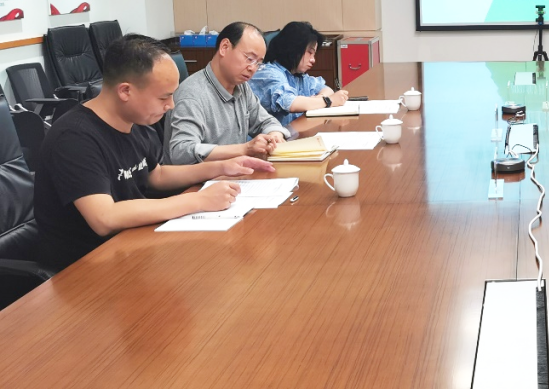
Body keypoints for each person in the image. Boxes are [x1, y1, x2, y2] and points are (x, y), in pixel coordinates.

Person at [34, 34, 274, 272]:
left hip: (134, 248)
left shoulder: (134, 120)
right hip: (86, 268)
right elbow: (104, 218)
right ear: (125, 91)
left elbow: (155, 175)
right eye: (164, 97)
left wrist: (221, 166)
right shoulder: (74, 137)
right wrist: (198, 200)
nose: (171, 105)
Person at [165, 22, 290, 164]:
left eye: (258, 63)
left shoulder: (241, 87)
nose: (252, 68)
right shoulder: (192, 94)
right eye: (249, 59)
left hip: (235, 173)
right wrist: (244, 149)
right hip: (201, 178)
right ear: (224, 47)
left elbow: (265, 121)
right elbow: (181, 151)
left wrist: (274, 135)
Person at [248, 21, 349, 126]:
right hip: (270, 135)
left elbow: (327, 89)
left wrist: (320, 98)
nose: (313, 60)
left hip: (293, 132)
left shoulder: (297, 75)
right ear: (294, 48)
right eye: (310, 53)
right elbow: (291, 103)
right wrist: (328, 101)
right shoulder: (268, 73)